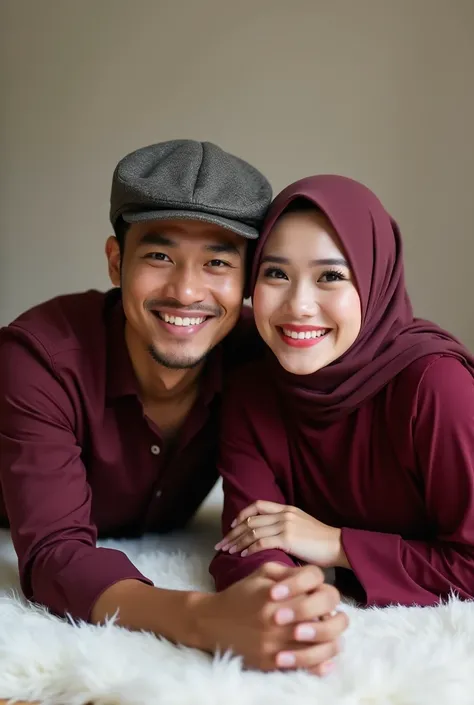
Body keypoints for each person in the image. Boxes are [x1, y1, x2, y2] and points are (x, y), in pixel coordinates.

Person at [0, 142, 346, 674]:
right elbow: (52, 556)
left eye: (217, 262)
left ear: (249, 281)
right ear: (117, 262)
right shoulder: (38, 358)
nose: (186, 291)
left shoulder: (260, 358)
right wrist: (206, 620)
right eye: (159, 256)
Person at [211, 174, 474, 610]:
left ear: (375, 283)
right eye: (275, 273)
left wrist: (337, 545)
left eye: (330, 275)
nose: (298, 305)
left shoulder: (436, 386)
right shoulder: (252, 389)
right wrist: (279, 602)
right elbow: (249, 539)